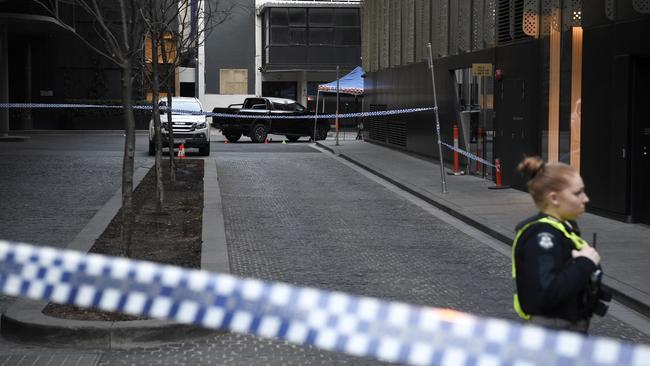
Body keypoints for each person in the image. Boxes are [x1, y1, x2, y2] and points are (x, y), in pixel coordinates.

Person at [512, 156, 610, 333]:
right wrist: (585, 263)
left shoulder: (563, 229)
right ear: (555, 198)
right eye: (577, 193)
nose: (585, 198)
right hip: (554, 333)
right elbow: (546, 294)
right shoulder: (542, 236)